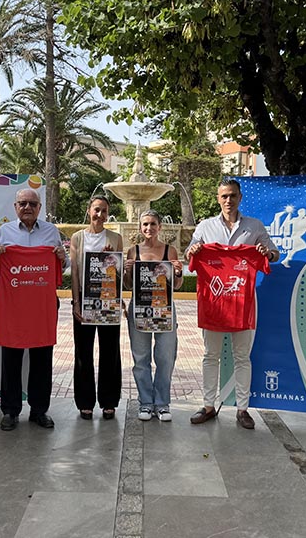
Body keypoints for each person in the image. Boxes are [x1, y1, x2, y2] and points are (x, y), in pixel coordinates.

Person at [185, 178, 278, 430]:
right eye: (224, 196)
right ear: (218, 198)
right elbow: (188, 254)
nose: (229, 200)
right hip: (214, 304)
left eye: (233, 196)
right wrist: (193, 251)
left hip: (243, 304)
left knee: (242, 357)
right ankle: (208, 406)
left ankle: (242, 409)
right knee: (210, 356)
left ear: (240, 197)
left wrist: (267, 253)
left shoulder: (254, 226)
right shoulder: (205, 226)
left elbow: (274, 253)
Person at [0, 188, 68, 431]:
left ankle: (39, 410)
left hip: (42, 307)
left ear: (39, 208)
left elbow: (61, 269)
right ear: (15, 207)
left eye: (33, 204)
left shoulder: (51, 232)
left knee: (42, 360)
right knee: (11, 360)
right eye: (23, 203)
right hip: (13, 308)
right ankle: (10, 411)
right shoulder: (5, 232)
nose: (27, 207)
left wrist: (62, 257)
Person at [123, 210, 183, 422]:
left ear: (160, 227)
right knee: (141, 358)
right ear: (140, 228)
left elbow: (176, 285)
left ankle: (162, 403)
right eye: (145, 224)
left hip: (164, 309)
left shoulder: (169, 250)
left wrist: (178, 272)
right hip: (140, 308)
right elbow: (128, 285)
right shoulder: (133, 251)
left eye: (153, 224)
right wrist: (127, 270)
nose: (149, 228)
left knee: (165, 357)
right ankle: (146, 403)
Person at [70, 196, 124, 420]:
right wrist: (76, 301)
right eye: (96, 210)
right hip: (85, 299)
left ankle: (109, 401)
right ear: (89, 210)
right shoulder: (77, 237)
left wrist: (110, 258)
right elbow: (74, 272)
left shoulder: (116, 238)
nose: (100, 215)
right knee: (83, 352)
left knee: (110, 351)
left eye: (104, 211)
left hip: (108, 299)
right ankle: (85, 402)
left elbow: (119, 272)